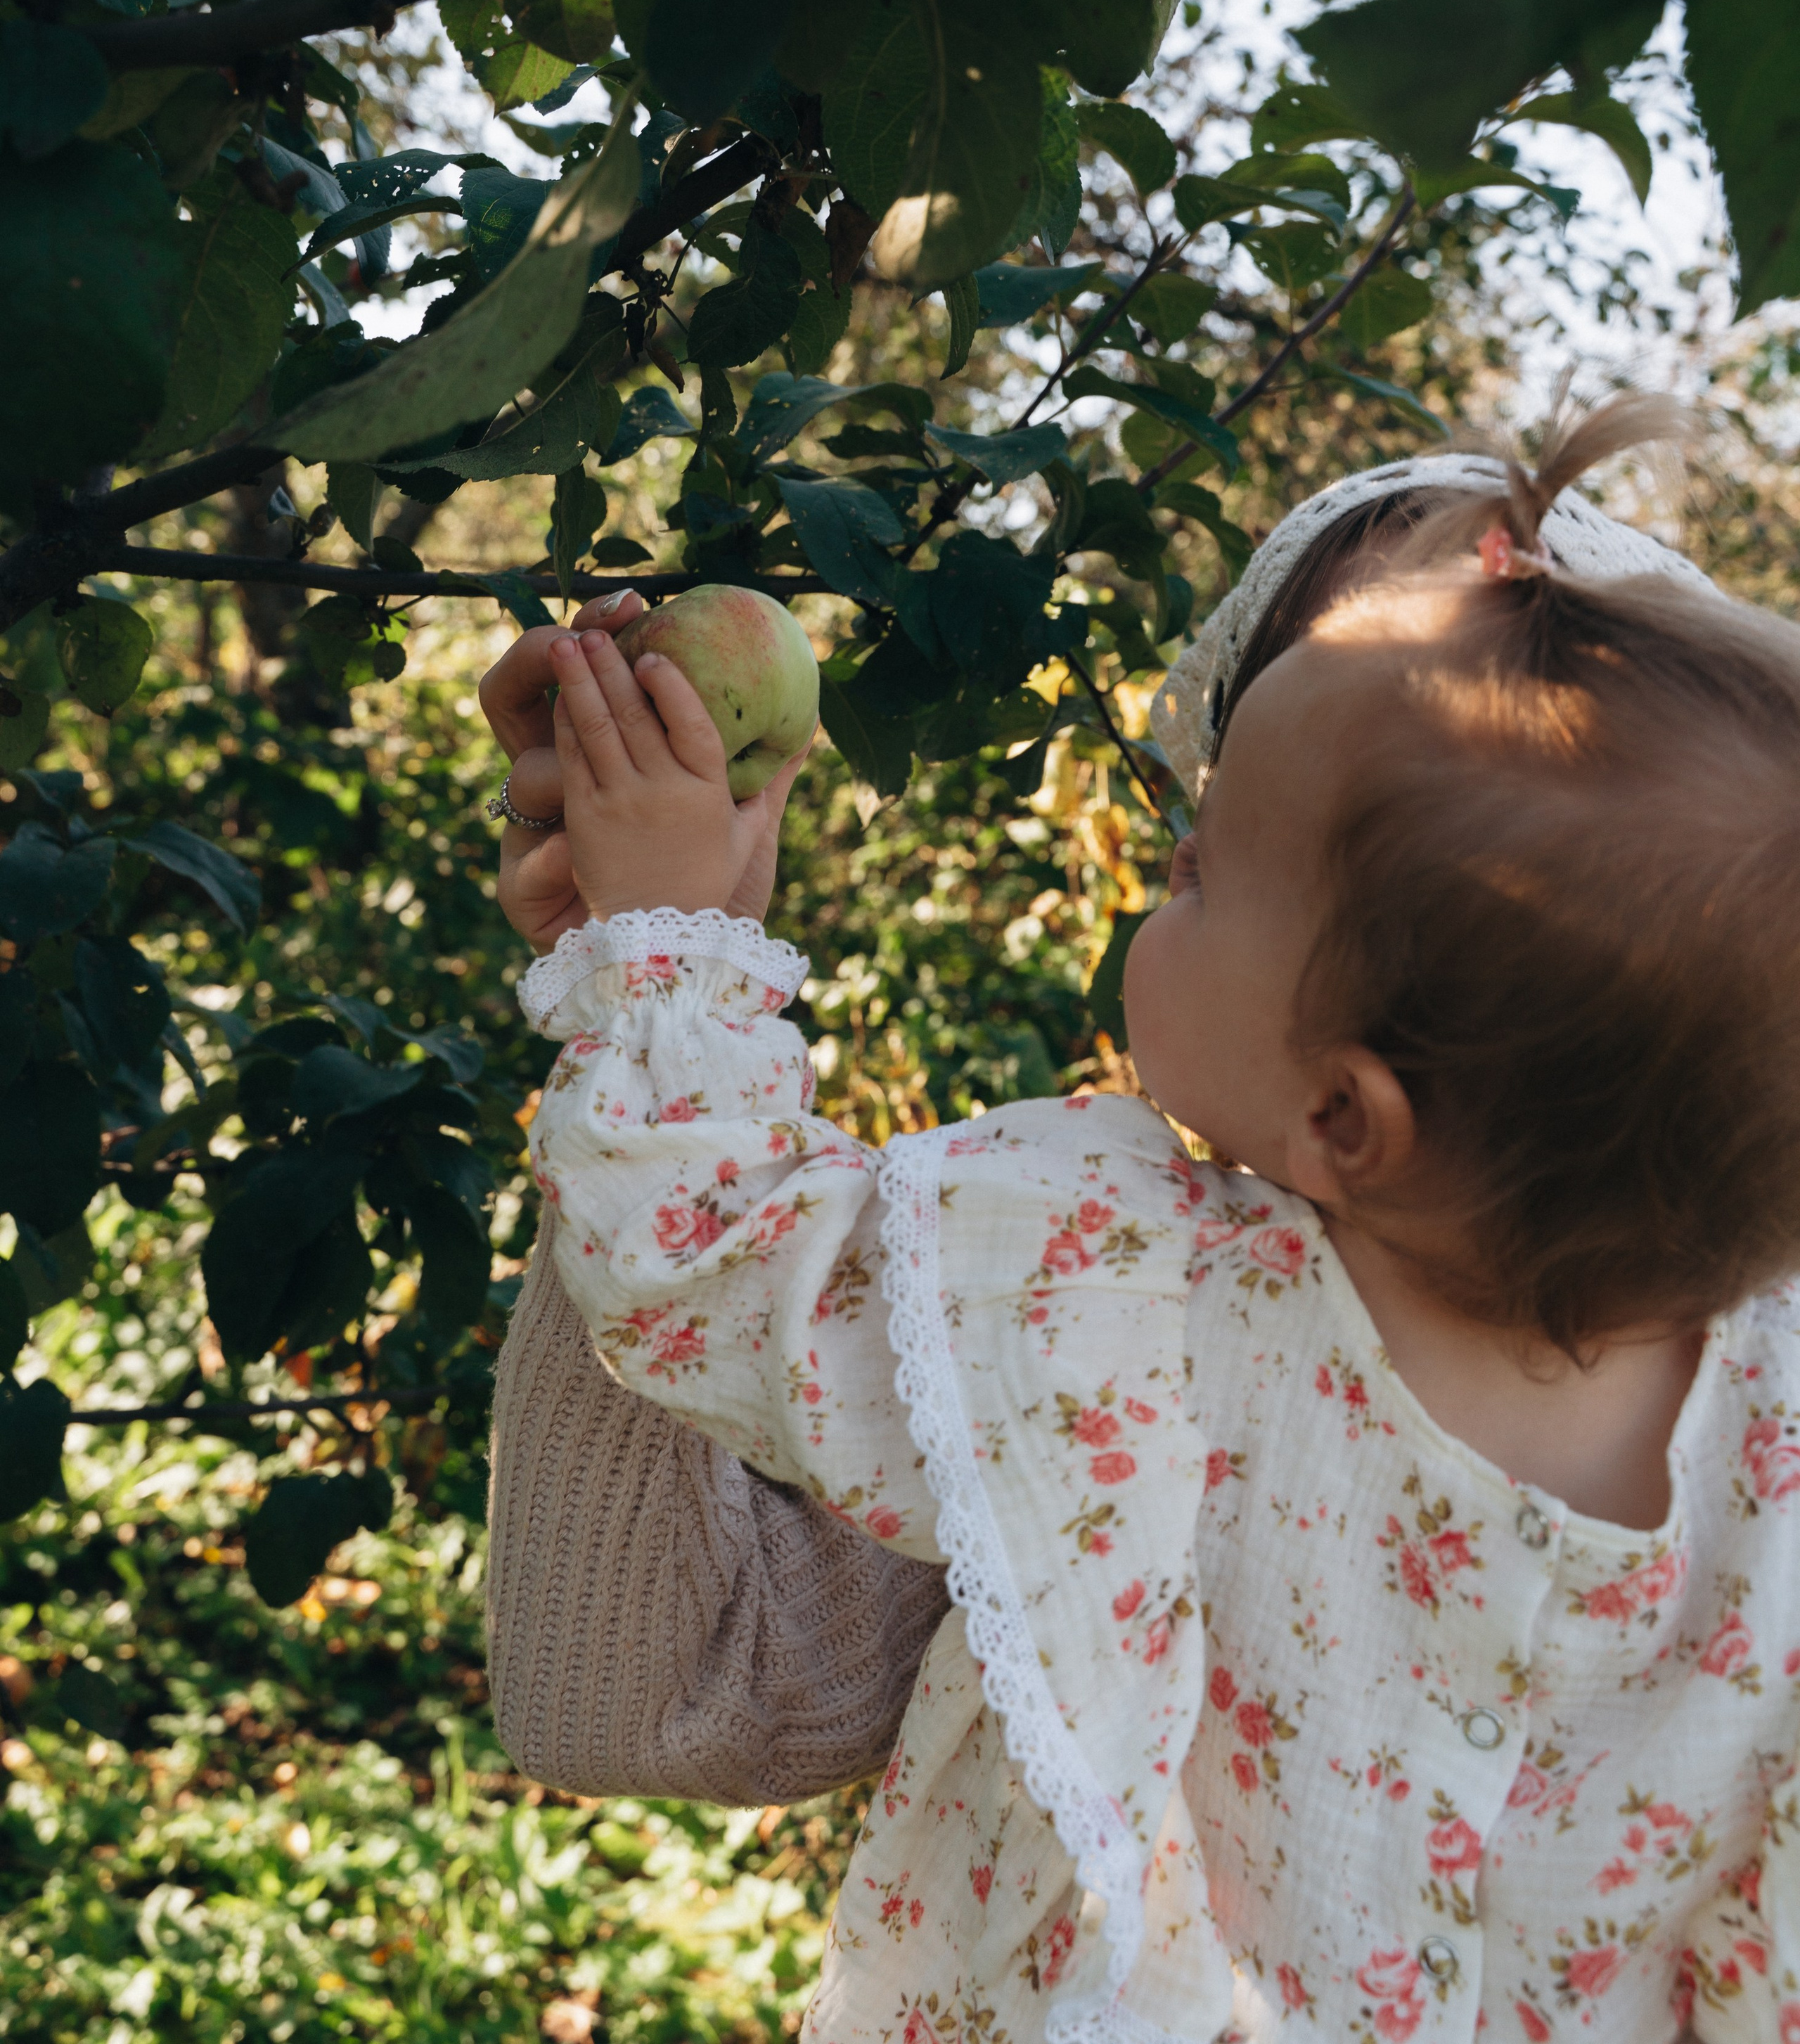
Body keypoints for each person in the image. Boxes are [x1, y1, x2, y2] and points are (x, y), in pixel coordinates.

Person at [484, 400, 1800, 2043]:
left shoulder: (1117, 1288)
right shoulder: (1771, 1450)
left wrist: (671, 945)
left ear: (1343, 1116)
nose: (1162, 857)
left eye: (1199, 870)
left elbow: (710, 1248)